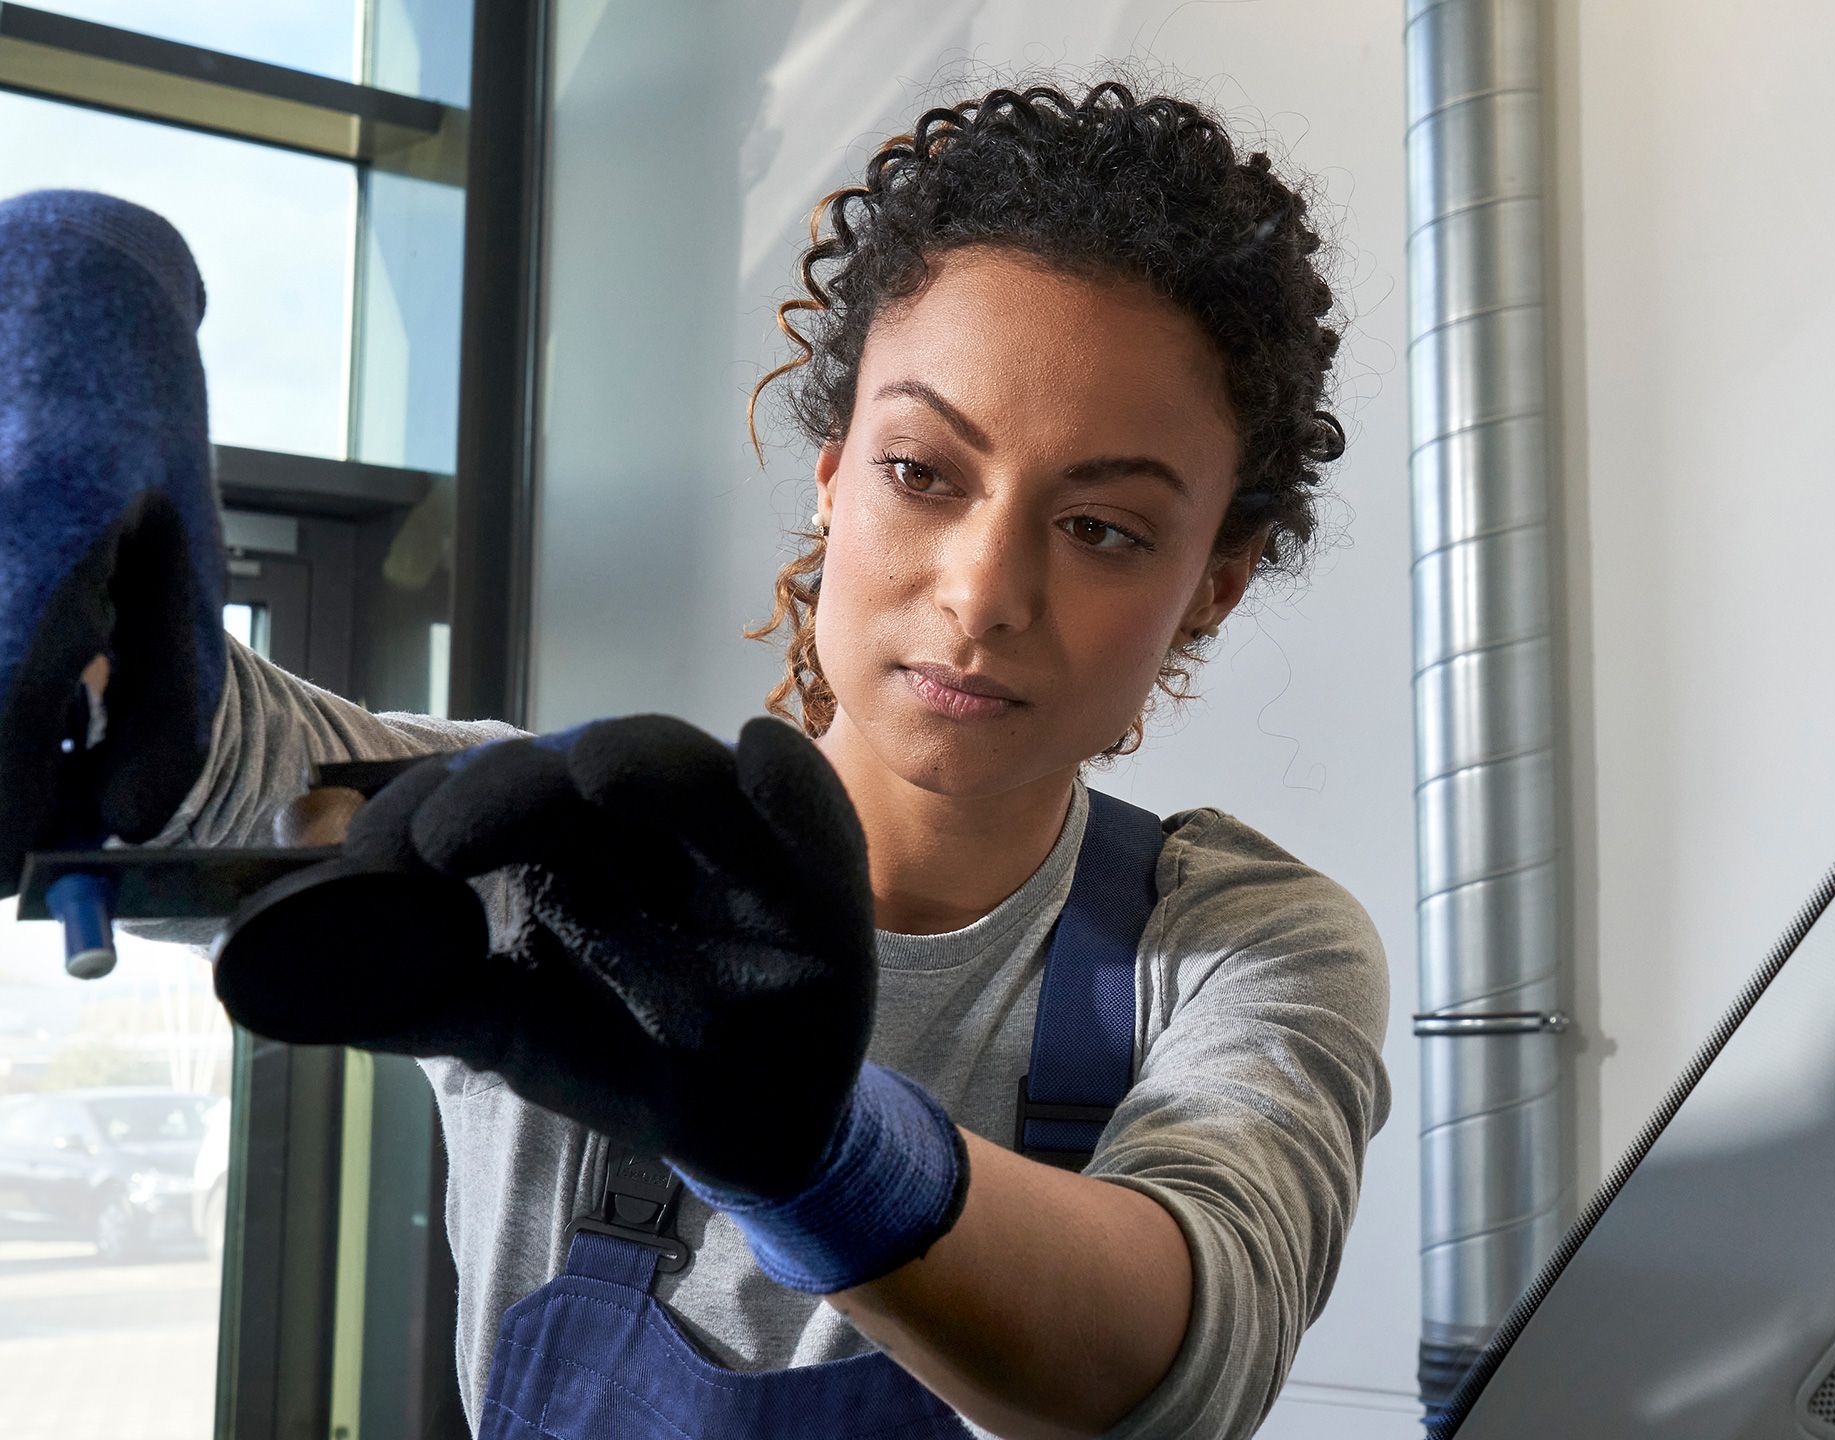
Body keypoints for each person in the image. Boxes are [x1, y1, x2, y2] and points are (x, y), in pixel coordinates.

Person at [0, 80, 1390, 1440]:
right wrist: (78, 347)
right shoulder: (548, 849)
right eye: (925, 472)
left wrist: (824, 1155)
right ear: (835, 475)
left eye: (1104, 529)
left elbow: (1182, 1362)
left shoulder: (1234, 949)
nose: (983, 594)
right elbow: (169, 755)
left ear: (1213, 580)